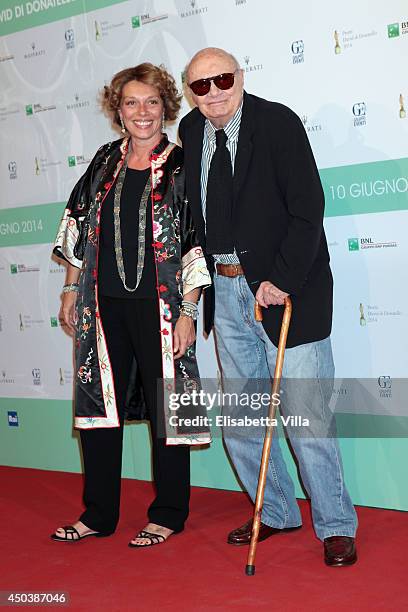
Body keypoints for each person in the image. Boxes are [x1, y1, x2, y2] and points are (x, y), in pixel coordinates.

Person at [179, 47, 358, 566]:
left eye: (222, 79)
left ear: (240, 76)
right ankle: (275, 511)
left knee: (305, 416)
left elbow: (308, 209)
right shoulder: (191, 133)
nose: (213, 92)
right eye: (200, 85)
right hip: (224, 291)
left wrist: (280, 280)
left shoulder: (277, 123)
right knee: (242, 417)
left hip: (285, 292)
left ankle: (336, 525)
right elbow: (192, 216)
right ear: (190, 91)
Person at [51, 63, 211, 548]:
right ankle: (98, 513)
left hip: (162, 309)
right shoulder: (104, 161)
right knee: (100, 408)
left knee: (169, 410)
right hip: (102, 307)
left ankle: (168, 513)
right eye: (131, 103)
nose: (142, 112)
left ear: (166, 106)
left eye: (151, 102)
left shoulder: (183, 165)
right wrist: (69, 287)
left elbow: (194, 241)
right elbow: (77, 222)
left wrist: (188, 311)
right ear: (117, 109)